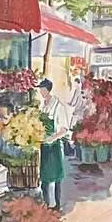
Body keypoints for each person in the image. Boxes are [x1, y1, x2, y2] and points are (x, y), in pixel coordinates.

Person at [38, 77, 77, 211]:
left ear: (47, 90)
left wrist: (52, 138)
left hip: (54, 147)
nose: (41, 92)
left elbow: (63, 129)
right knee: (44, 177)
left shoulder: (58, 106)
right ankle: (46, 204)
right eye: (40, 90)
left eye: (42, 89)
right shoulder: (42, 105)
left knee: (55, 177)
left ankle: (56, 206)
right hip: (43, 146)